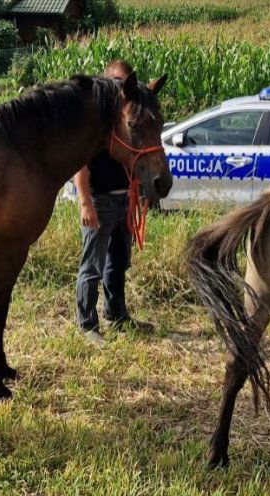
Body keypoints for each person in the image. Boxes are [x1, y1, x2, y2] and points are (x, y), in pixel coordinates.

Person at [74, 59, 154, 345]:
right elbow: (80, 167)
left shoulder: (126, 120)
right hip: (99, 201)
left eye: (127, 83)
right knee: (92, 265)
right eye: (118, 83)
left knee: (118, 262)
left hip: (124, 202)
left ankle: (116, 315)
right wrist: (86, 204)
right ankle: (86, 325)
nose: (123, 89)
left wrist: (136, 196)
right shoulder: (94, 123)